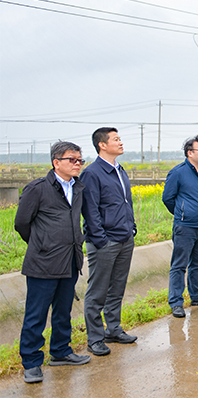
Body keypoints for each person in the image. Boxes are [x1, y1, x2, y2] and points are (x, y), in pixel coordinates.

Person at [15, 141, 91, 384]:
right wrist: (42, 243)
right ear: (56, 162)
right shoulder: (37, 189)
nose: (77, 164)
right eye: (72, 159)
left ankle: (61, 351)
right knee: (36, 314)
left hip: (69, 260)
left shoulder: (78, 187)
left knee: (63, 311)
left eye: (80, 160)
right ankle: (31, 362)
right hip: (43, 262)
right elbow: (21, 223)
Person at [80, 128, 138, 358]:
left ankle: (113, 329)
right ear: (102, 145)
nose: (120, 142)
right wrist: (101, 239)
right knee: (98, 291)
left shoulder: (119, 170)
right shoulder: (92, 173)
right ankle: (95, 338)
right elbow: (90, 210)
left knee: (117, 287)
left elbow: (126, 203)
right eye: (116, 139)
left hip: (125, 238)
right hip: (105, 242)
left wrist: (131, 228)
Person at [162, 135, 198, 318]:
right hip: (185, 226)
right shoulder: (178, 172)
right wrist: (182, 213)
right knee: (179, 265)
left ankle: (197, 295)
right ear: (190, 153)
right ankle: (176, 302)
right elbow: (168, 198)